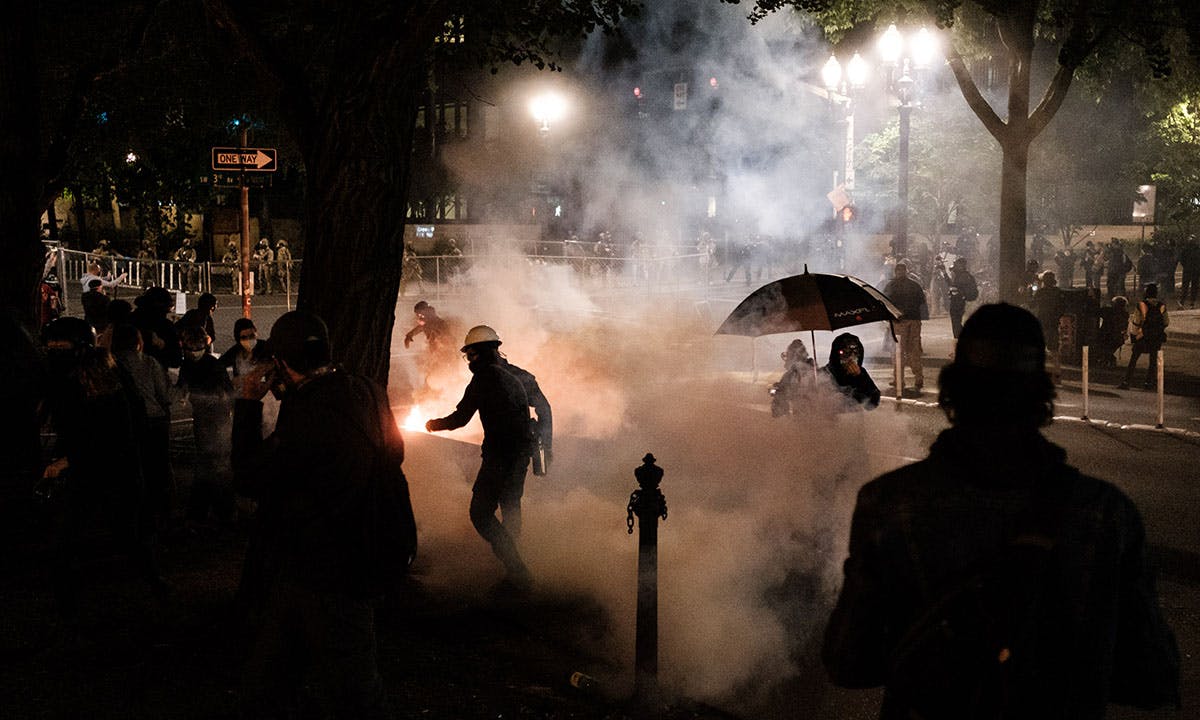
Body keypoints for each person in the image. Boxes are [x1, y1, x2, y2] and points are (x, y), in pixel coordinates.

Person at [822, 303, 1180, 720]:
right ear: (1042, 394)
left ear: (953, 389)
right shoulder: (1104, 514)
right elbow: (1151, 678)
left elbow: (850, 662)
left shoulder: (890, 504)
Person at [232, 311, 407, 718]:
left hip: (329, 571)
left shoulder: (307, 414)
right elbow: (394, 452)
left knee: (357, 692)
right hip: (341, 558)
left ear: (280, 362)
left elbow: (249, 478)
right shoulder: (367, 390)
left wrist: (246, 405)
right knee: (270, 681)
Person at [40, 317, 166, 630]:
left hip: (114, 471)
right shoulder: (64, 376)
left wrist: (66, 461)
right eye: (51, 348)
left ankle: (155, 588)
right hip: (88, 472)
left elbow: (114, 433)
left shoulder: (102, 378)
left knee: (129, 534)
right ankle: (66, 607)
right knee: (66, 542)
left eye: (62, 348)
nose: (55, 353)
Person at [425, 325, 552, 591]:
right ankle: (511, 562)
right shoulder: (519, 375)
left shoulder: (484, 378)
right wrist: (545, 445)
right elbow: (545, 409)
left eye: (471, 355)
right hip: (521, 454)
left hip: (499, 456)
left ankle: (516, 570)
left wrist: (432, 425)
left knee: (480, 513)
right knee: (510, 505)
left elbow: (460, 419)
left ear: (480, 353)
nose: (470, 361)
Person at [883, 263, 928, 391]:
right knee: (914, 350)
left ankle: (899, 379)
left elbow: (885, 302)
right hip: (914, 320)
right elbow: (922, 302)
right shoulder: (915, 285)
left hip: (899, 321)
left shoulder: (891, 285)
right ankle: (918, 379)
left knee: (898, 351)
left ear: (896, 272)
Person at [1120, 283, 1170, 390]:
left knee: (1133, 360)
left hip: (1142, 336)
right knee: (1153, 361)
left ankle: (1126, 381)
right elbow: (1166, 322)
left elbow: (1136, 322)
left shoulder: (1141, 305)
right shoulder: (1162, 306)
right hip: (1156, 337)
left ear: (1146, 293)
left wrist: (1133, 336)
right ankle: (1149, 383)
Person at [821, 332, 880, 410]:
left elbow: (873, 403)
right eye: (846, 353)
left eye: (855, 353)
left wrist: (860, 378)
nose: (851, 358)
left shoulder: (861, 373)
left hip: (857, 419)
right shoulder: (824, 374)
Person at [1032, 270, 1065, 384]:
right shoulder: (1058, 292)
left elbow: (1032, 304)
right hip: (1053, 324)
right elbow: (1062, 308)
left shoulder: (1040, 292)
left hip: (1041, 323)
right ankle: (1057, 375)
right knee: (1055, 351)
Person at [770, 338, 815, 417]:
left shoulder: (802, 370)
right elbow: (784, 386)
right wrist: (778, 387)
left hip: (805, 407)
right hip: (799, 406)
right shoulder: (793, 372)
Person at [946, 258, 978, 339]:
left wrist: (957, 292)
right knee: (957, 322)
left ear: (961, 266)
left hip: (959, 302)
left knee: (956, 323)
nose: (954, 268)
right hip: (960, 301)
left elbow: (955, 287)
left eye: (956, 265)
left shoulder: (963, 276)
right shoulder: (963, 275)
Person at [1095, 297, 1129, 368]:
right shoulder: (1125, 314)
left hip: (1105, 335)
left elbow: (1097, 312)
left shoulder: (1108, 311)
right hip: (1117, 337)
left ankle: (1107, 359)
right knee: (1109, 349)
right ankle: (1108, 359)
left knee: (1103, 347)